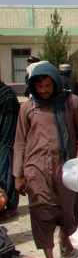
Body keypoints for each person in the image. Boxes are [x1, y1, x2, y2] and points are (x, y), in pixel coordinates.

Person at [13, 63, 78, 258]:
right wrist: (18, 175)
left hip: (66, 167)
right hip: (36, 167)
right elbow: (20, 142)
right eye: (39, 87)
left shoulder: (71, 103)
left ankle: (65, 237)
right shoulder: (27, 107)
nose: (44, 91)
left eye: (47, 86)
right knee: (41, 209)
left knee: (67, 210)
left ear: (55, 83)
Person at [0, 80, 20, 217]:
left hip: (5, 141)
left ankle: (10, 206)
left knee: (6, 172)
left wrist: (5, 143)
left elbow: (9, 125)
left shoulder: (7, 96)